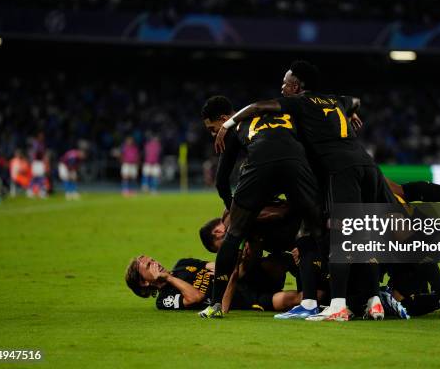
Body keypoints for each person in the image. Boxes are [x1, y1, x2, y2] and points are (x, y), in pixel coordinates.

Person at [214, 62, 394, 321]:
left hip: (338, 172)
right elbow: (354, 100)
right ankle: (373, 300)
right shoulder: (333, 100)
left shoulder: (299, 103)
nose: (282, 87)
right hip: (367, 165)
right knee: (357, 233)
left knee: (336, 236)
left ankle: (338, 305)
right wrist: (352, 111)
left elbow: (257, 107)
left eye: (286, 82)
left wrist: (228, 124)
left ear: (297, 86)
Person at [198, 95, 323, 319]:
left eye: (212, 128)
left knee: (233, 235)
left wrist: (235, 211)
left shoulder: (235, 127)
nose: (213, 134)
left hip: (261, 164)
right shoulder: (287, 117)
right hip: (296, 162)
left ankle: (215, 304)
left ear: (225, 119)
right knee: (310, 232)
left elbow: (221, 180)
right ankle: (318, 300)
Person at [125, 254, 303, 313]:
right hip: (243, 298)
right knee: (292, 299)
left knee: (279, 259)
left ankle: (323, 280)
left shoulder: (182, 265)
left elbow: (216, 267)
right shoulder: (164, 299)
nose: (155, 263)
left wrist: (241, 262)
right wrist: (168, 279)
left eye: (153, 260)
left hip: (243, 278)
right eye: (149, 266)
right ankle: (319, 300)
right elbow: (196, 297)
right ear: (144, 283)